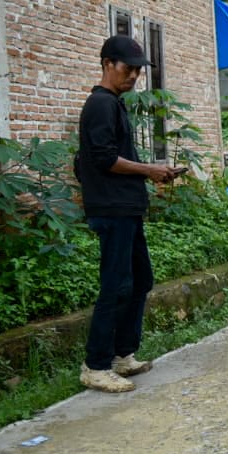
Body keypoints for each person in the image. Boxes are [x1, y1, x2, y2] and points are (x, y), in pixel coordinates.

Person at [75, 35, 184, 393]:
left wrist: (149, 171)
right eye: (128, 68)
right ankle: (96, 364)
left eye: (138, 70)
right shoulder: (100, 105)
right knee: (116, 284)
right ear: (107, 63)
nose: (134, 75)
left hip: (126, 207)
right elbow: (101, 159)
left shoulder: (114, 103)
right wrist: (148, 171)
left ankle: (123, 354)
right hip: (113, 210)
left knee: (139, 280)